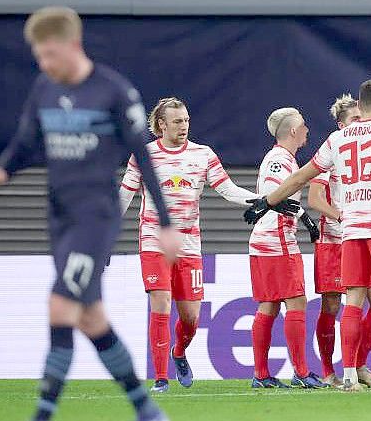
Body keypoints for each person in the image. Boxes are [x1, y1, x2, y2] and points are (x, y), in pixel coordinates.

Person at [0, 6, 180, 421]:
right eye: (38, 56)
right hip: (60, 217)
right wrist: (2, 169)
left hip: (96, 218)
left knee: (59, 307)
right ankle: (146, 410)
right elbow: (25, 140)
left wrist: (165, 222)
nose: (43, 64)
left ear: (73, 45)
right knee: (91, 319)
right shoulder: (44, 89)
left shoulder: (114, 91)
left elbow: (144, 159)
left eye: (49, 55)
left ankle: (42, 414)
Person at [245, 79, 371, 393]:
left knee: (353, 300)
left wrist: (268, 200)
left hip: (351, 232)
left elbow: (302, 176)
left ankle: (351, 377)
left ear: (360, 102)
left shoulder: (336, 138)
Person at [119, 97, 298, 392]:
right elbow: (124, 196)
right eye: (177, 121)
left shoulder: (203, 154)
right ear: (161, 125)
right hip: (156, 239)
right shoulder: (143, 155)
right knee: (160, 302)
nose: (184, 126)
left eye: (186, 120)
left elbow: (228, 190)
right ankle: (160, 378)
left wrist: (267, 201)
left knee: (190, 317)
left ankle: (179, 351)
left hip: (189, 244)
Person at [308, 94, 371, 389]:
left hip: (368, 235)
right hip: (334, 240)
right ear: (341, 124)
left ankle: (359, 365)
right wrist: (341, 216)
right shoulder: (332, 153)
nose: (360, 123)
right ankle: (329, 371)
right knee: (332, 305)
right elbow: (314, 198)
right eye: (355, 119)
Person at [247, 107, 327, 389]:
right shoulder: (280, 159)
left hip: (264, 238)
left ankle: (261, 374)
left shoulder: (280, 158)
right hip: (276, 238)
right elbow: (274, 197)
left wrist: (304, 218)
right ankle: (302, 373)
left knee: (268, 304)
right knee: (296, 301)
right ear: (293, 131)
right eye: (303, 125)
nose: (307, 129)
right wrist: (304, 219)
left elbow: (279, 198)